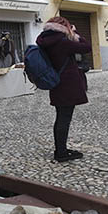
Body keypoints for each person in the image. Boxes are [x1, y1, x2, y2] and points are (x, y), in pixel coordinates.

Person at [36, 16, 91, 162]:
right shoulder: (63, 42)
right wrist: (75, 33)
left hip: (56, 82)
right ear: (63, 27)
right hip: (67, 84)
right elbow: (87, 47)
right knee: (64, 118)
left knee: (60, 117)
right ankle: (61, 153)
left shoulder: (44, 40)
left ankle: (60, 149)